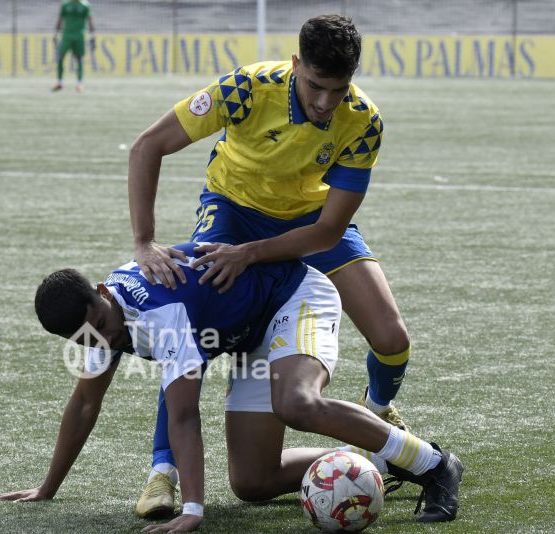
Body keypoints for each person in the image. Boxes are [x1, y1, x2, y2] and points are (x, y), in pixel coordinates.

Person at [128, 14, 415, 515]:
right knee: (193, 322)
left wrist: (253, 255)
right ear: (296, 64)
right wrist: (144, 242)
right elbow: (148, 146)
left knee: (392, 338)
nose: (325, 102)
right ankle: (162, 472)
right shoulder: (245, 89)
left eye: (338, 90)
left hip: (311, 223)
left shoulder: (364, 121)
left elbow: (329, 230)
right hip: (233, 212)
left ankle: (377, 413)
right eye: (315, 86)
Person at [0, 243, 463, 532]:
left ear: (102, 292)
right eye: (85, 338)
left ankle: (435, 464)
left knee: (296, 402)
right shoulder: (97, 324)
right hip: (248, 335)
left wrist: (193, 509)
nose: (103, 338)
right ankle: (384, 460)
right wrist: (47, 488)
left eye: (100, 323)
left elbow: (183, 415)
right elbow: (83, 405)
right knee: (252, 482)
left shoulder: (160, 312)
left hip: (294, 297)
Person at [52, 0, 95, 93]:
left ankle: (80, 83)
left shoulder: (85, 5)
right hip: (66, 35)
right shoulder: (65, 4)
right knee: (60, 57)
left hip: (79, 35)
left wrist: (92, 36)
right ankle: (59, 82)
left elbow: (90, 21)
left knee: (79, 59)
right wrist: (55, 34)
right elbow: (60, 19)